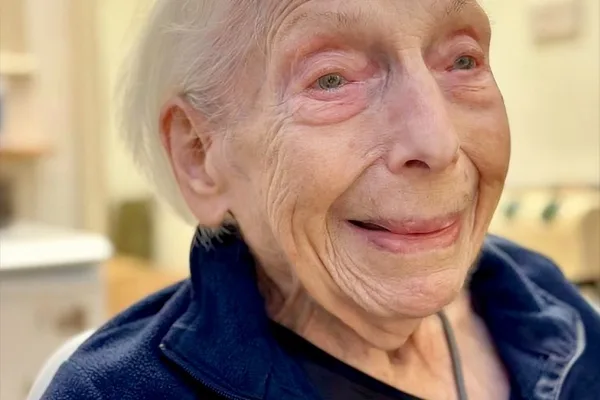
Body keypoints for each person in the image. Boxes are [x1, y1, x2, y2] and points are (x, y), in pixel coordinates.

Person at [42, 0, 600, 399]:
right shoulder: (116, 391)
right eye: (331, 79)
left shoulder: (542, 299)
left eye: (462, 61)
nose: (438, 143)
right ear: (199, 154)